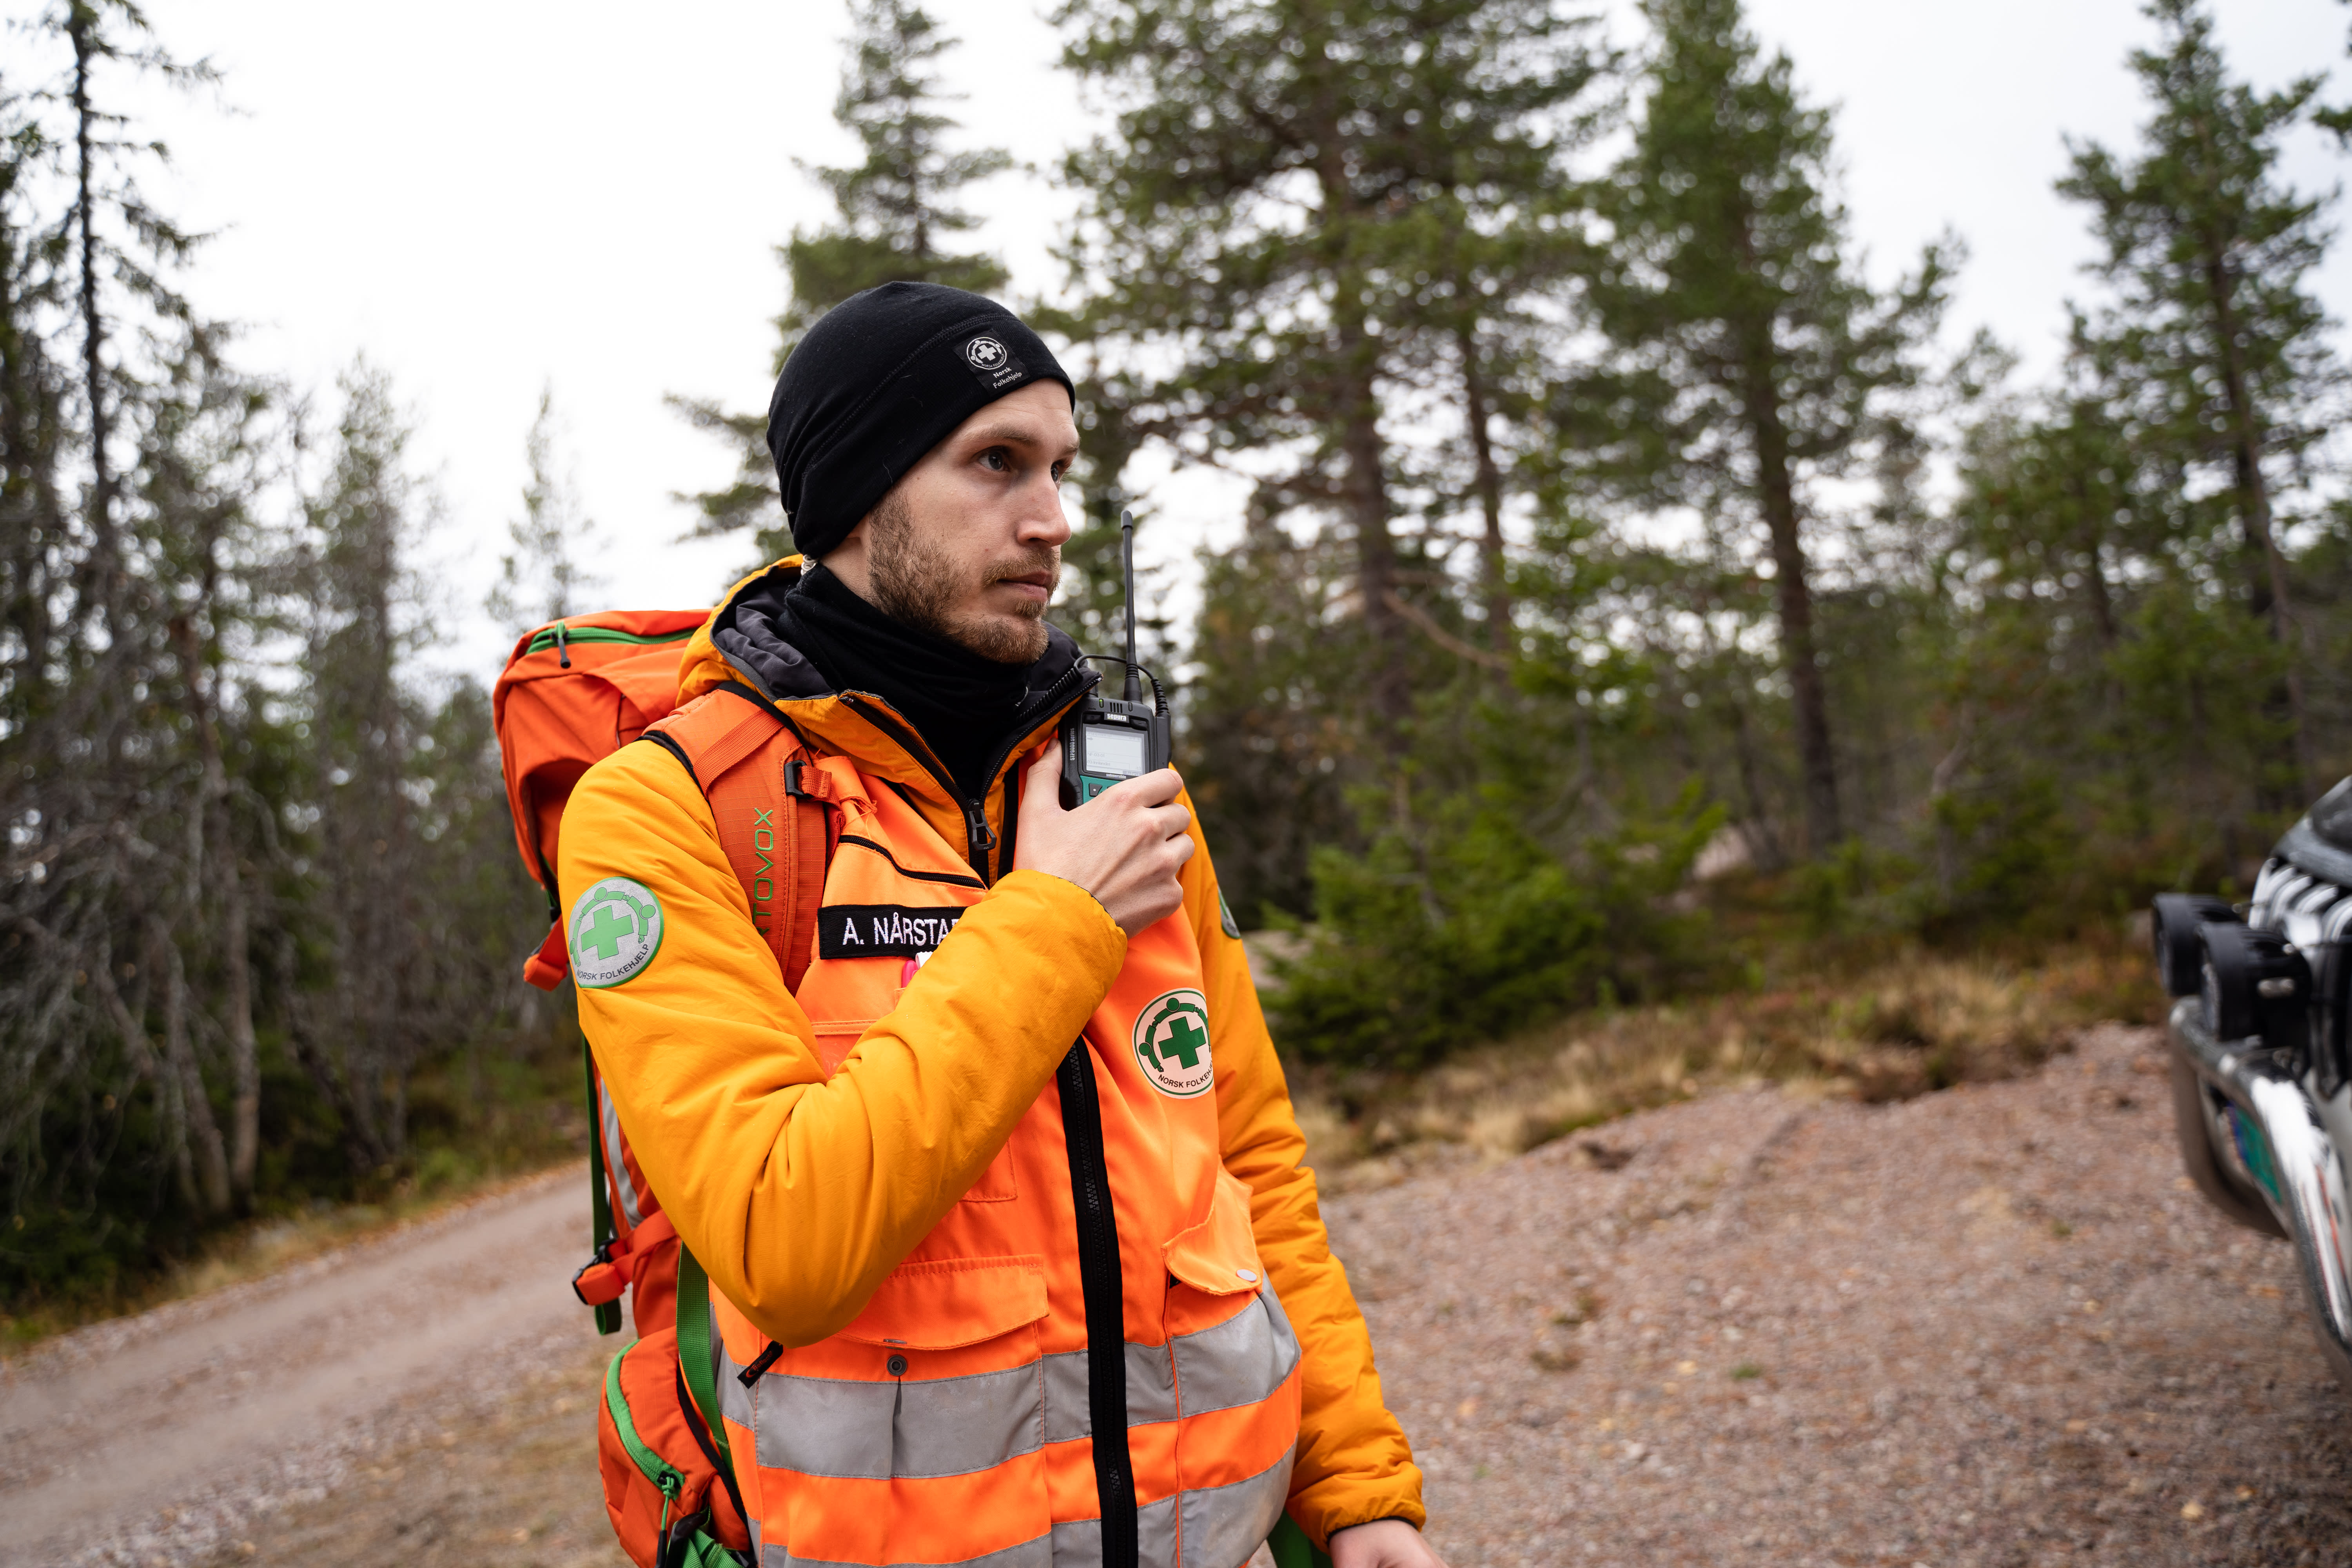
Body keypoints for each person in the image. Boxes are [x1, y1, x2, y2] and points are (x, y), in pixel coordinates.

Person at [559, 282, 1443, 1568]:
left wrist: (1356, 1492)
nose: (1052, 520)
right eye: (996, 463)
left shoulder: (1115, 784)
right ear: (859, 493)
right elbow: (783, 1243)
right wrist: (1056, 917)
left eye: (1060, 469)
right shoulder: (670, 809)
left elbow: (1247, 1158)